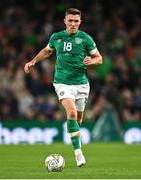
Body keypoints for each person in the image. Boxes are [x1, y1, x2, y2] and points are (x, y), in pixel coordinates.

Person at [24, 8, 102, 167]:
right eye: (70, 20)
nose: (73, 24)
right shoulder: (56, 37)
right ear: (65, 21)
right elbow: (47, 51)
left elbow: (99, 58)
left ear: (80, 22)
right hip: (62, 82)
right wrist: (33, 61)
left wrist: (91, 61)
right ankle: (78, 153)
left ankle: (75, 137)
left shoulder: (85, 39)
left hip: (81, 84)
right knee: (71, 112)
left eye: (76, 21)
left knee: (78, 119)